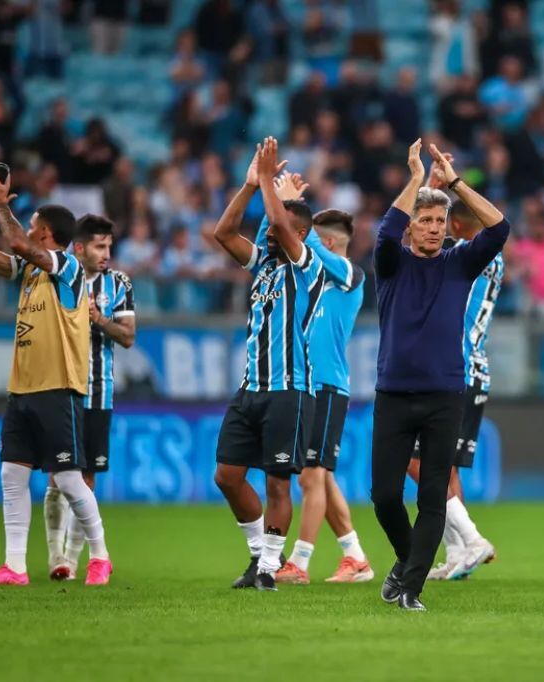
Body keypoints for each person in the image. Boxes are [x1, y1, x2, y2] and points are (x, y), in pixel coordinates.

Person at [372, 140, 510, 611]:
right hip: (392, 395)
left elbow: (499, 227)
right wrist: (415, 179)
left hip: (443, 396)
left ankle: (411, 589)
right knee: (384, 495)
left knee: (433, 497)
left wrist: (453, 183)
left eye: (439, 222)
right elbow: (384, 233)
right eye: (424, 221)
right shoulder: (391, 265)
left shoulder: (459, 265)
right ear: (412, 225)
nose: (432, 228)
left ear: (448, 228)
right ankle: (407, 559)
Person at [0, 170, 112, 586]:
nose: (27, 230)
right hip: (23, 387)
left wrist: (0, 205)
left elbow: (15, 242)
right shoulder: (30, 272)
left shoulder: (65, 268)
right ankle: (14, 566)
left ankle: (100, 556)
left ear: (45, 234)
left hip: (57, 387)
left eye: (33, 226)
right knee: (12, 476)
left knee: (68, 478)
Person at [211, 138, 325, 592]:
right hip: (251, 388)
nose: (268, 232)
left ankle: (268, 569)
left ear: (296, 235)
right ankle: (261, 557)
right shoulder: (263, 266)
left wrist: (268, 186)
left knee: (279, 484)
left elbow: (279, 218)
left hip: (290, 388)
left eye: (277, 229)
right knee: (227, 476)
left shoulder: (307, 265)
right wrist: (247, 186)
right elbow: (223, 233)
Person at [256, 174, 374, 585]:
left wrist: (281, 207)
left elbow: (296, 244)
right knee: (319, 475)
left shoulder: (349, 274)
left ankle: (300, 564)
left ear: (326, 243)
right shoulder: (310, 278)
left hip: (327, 385)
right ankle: (355, 558)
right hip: (307, 383)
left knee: (310, 475)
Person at [405, 164, 504, 582]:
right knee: (444, 467)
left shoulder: (466, 259)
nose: (437, 230)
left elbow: (416, 238)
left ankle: (469, 541)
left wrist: (428, 187)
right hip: (473, 371)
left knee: (415, 462)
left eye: (444, 223)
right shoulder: (490, 261)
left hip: (455, 371)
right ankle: (459, 552)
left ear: (458, 225)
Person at [44, 215, 136, 581]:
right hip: (60, 389)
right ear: (79, 248)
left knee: (87, 477)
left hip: (99, 392)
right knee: (56, 475)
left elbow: (128, 336)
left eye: (109, 246)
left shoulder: (119, 284)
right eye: (99, 246)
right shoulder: (60, 277)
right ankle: (55, 558)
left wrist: (98, 319)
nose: (107, 254)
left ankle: (73, 558)